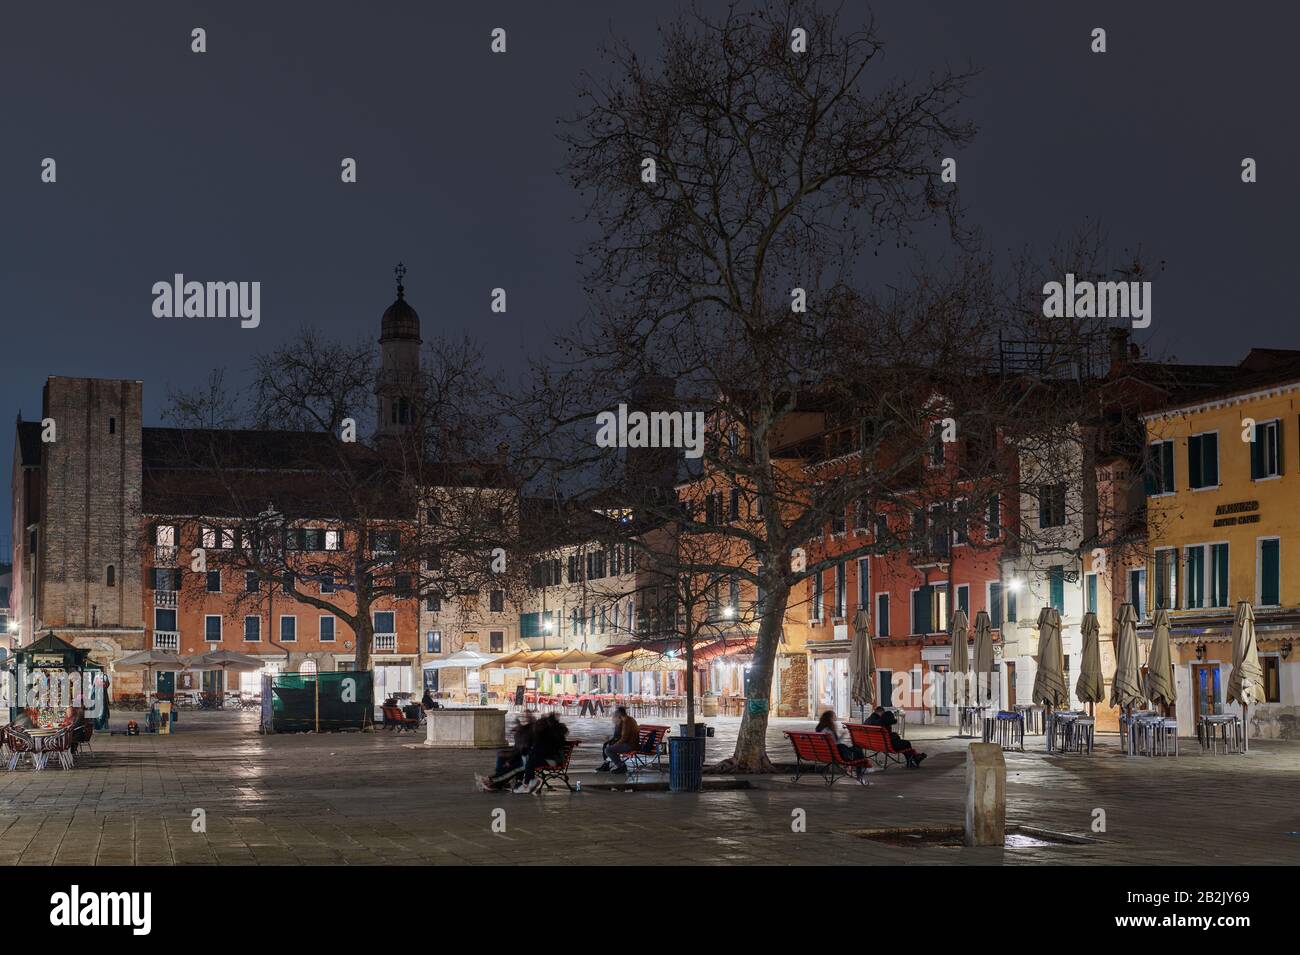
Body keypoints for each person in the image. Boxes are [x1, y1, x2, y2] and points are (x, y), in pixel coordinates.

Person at [476, 714, 536, 792]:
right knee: (502, 756)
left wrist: (510, 761)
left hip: (526, 758)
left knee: (513, 768)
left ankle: (491, 780)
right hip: (522, 756)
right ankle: (497, 782)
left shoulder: (526, 733)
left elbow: (521, 750)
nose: (513, 728)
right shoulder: (520, 734)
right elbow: (518, 749)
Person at [595, 706, 640, 774]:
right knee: (607, 745)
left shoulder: (627, 722)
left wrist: (615, 744)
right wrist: (617, 726)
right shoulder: (626, 720)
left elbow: (624, 738)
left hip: (630, 745)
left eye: (615, 715)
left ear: (619, 715)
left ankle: (621, 766)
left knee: (608, 749)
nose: (614, 717)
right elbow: (618, 736)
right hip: (629, 743)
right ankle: (606, 765)